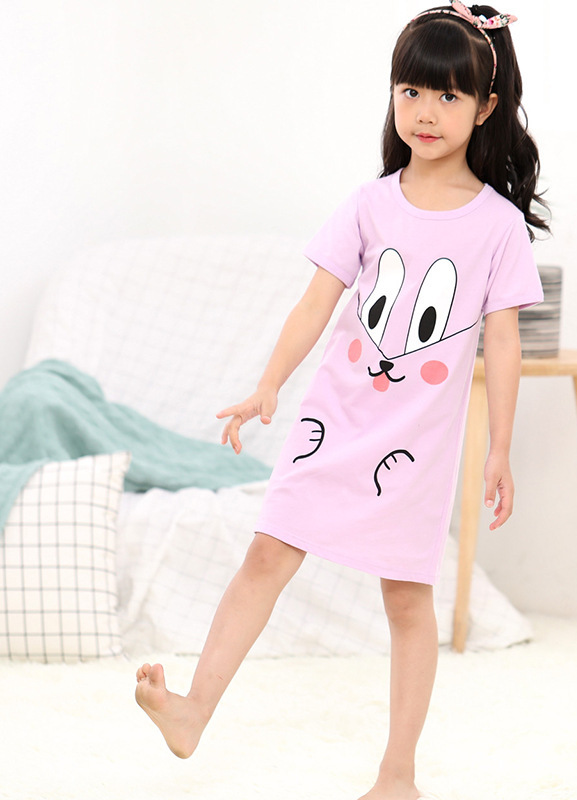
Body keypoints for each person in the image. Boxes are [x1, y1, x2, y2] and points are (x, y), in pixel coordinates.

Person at [135, 3, 549, 798]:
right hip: (334, 423)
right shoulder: (369, 203)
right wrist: (268, 384)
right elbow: (314, 305)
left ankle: (398, 775)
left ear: (485, 107)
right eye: (411, 90)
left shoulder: (497, 228)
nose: (425, 111)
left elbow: (502, 344)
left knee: (406, 600)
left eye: (448, 96)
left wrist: (499, 448)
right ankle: (191, 711)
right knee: (266, 555)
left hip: (412, 449)